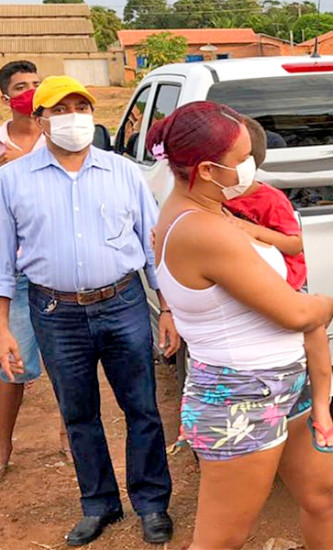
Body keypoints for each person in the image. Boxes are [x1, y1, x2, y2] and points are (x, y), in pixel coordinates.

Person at [147, 101, 333, 550]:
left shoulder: (211, 209)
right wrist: (326, 304)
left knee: (322, 493)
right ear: (208, 170)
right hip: (242, 394)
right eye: (241, 160)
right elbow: (296, 313)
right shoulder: (202, 230)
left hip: (281, 381)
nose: (251, 166)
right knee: (221, 539)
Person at [0, 76, 178, 547]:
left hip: (122, 303)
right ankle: (98, 504)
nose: (73, 117)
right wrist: (2, 327)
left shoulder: (122, 172)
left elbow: (151, 243)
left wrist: (167, 309)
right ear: (38, 119)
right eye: (60, 109)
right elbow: (2, 257)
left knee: (141, 407)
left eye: (81, 106)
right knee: (79, 414)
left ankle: (152, 502)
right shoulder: (11, 180)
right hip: (55, 311)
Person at [223, 116, 333, 451]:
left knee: (313, 335)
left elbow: (294, 243)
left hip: (287, 285)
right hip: (246, 291)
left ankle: (322, 408)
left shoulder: (270, 199)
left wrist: (253, 231)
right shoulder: (211, 201)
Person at [0, 60, 69, 478]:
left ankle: (69, 437)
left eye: (36, 85)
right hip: (14, 268)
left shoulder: (57, 137)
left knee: (67, 360)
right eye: (21, 86)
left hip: (54, 261)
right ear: (5, 98)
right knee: (12, 365)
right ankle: (3, 444)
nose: (30, 92)